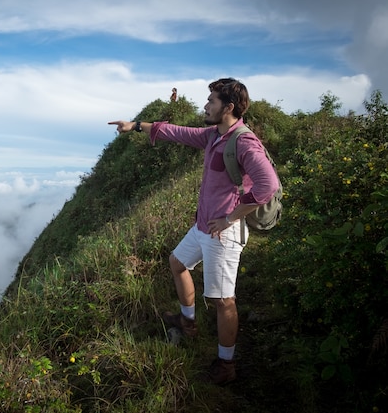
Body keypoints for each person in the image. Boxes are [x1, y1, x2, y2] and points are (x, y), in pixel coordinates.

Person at [108, 78, 279, 385]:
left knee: (223, 301)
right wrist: (135, 126)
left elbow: (268, 185)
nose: (205, 105)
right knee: (177, 263)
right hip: (204, 226)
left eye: (211, 101)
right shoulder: (214, 135)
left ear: (228, 107)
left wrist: (230, 218)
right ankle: (188, 322)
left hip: (222, 233)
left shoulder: (243, 142)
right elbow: (176, 132)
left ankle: (226, 365)